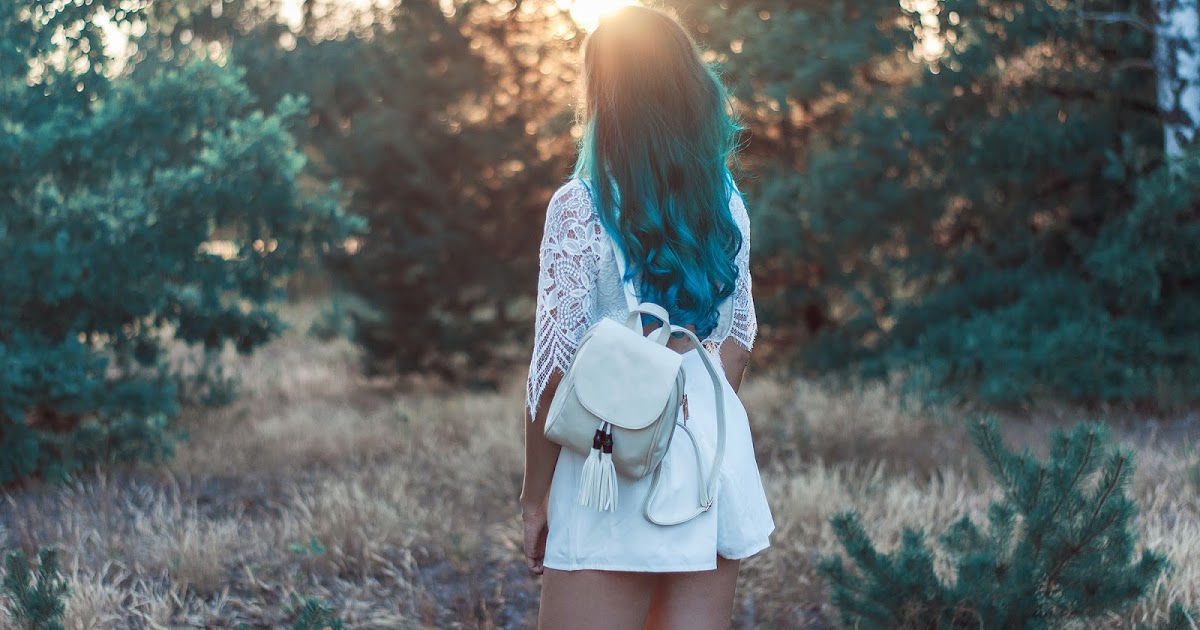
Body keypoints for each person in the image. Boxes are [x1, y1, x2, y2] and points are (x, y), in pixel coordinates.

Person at [520, 6, 775, 629]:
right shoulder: (727, 202)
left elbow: (553, 369)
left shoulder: (580, 205)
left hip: (611, 462)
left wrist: (534, 498)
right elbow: (737, 340)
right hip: (711, 463)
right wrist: (690, 423)